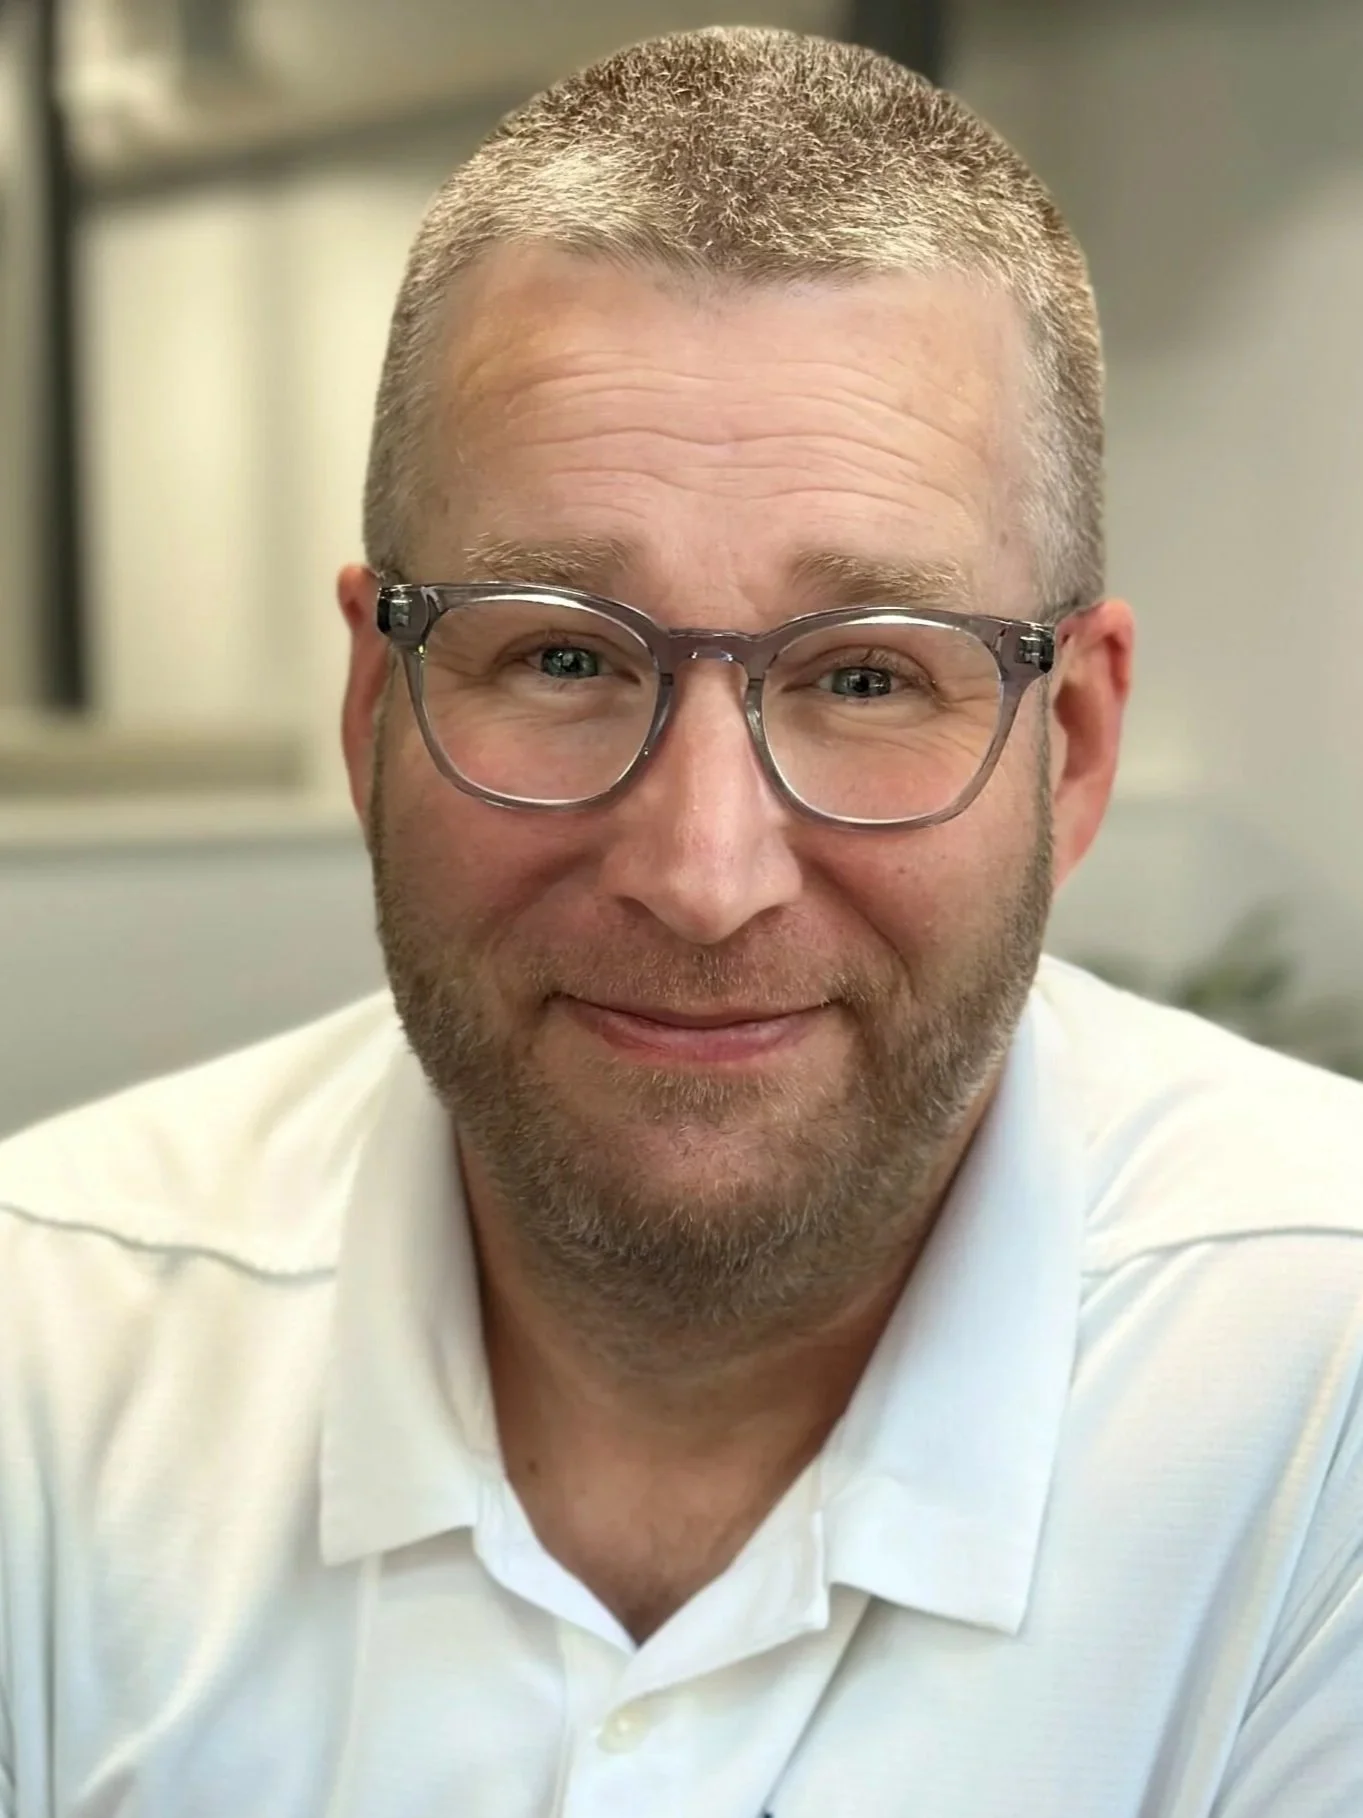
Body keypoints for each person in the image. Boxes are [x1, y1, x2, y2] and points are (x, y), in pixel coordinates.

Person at [2, 25, 1362, 1818]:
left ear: (1074, 746)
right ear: (373, 708)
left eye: (866, 675)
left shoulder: (1320, 1384)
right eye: (563, 655)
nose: (704, 873)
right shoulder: (41, 1354)